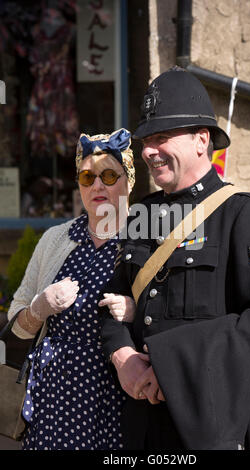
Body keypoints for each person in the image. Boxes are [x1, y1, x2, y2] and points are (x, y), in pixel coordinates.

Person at [100, 67, 250, 450]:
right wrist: (123, 355)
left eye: (161, 137)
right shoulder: (142, 214)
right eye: (145, 141)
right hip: (147, 428)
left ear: (200, 140)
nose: (147, 151)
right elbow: (110, 304)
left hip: (222, 425)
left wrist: (174, 369)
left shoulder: (244, 213)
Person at [7, 128, 136, 450]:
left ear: (128, 180)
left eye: (109, 175)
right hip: (51, 398)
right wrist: (38, 308)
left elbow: (174, 311)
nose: (97, 186)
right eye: (86, 177)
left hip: (116, 395)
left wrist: (137, 310)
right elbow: (15, 317)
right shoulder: (55, 239)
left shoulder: (146, 237)